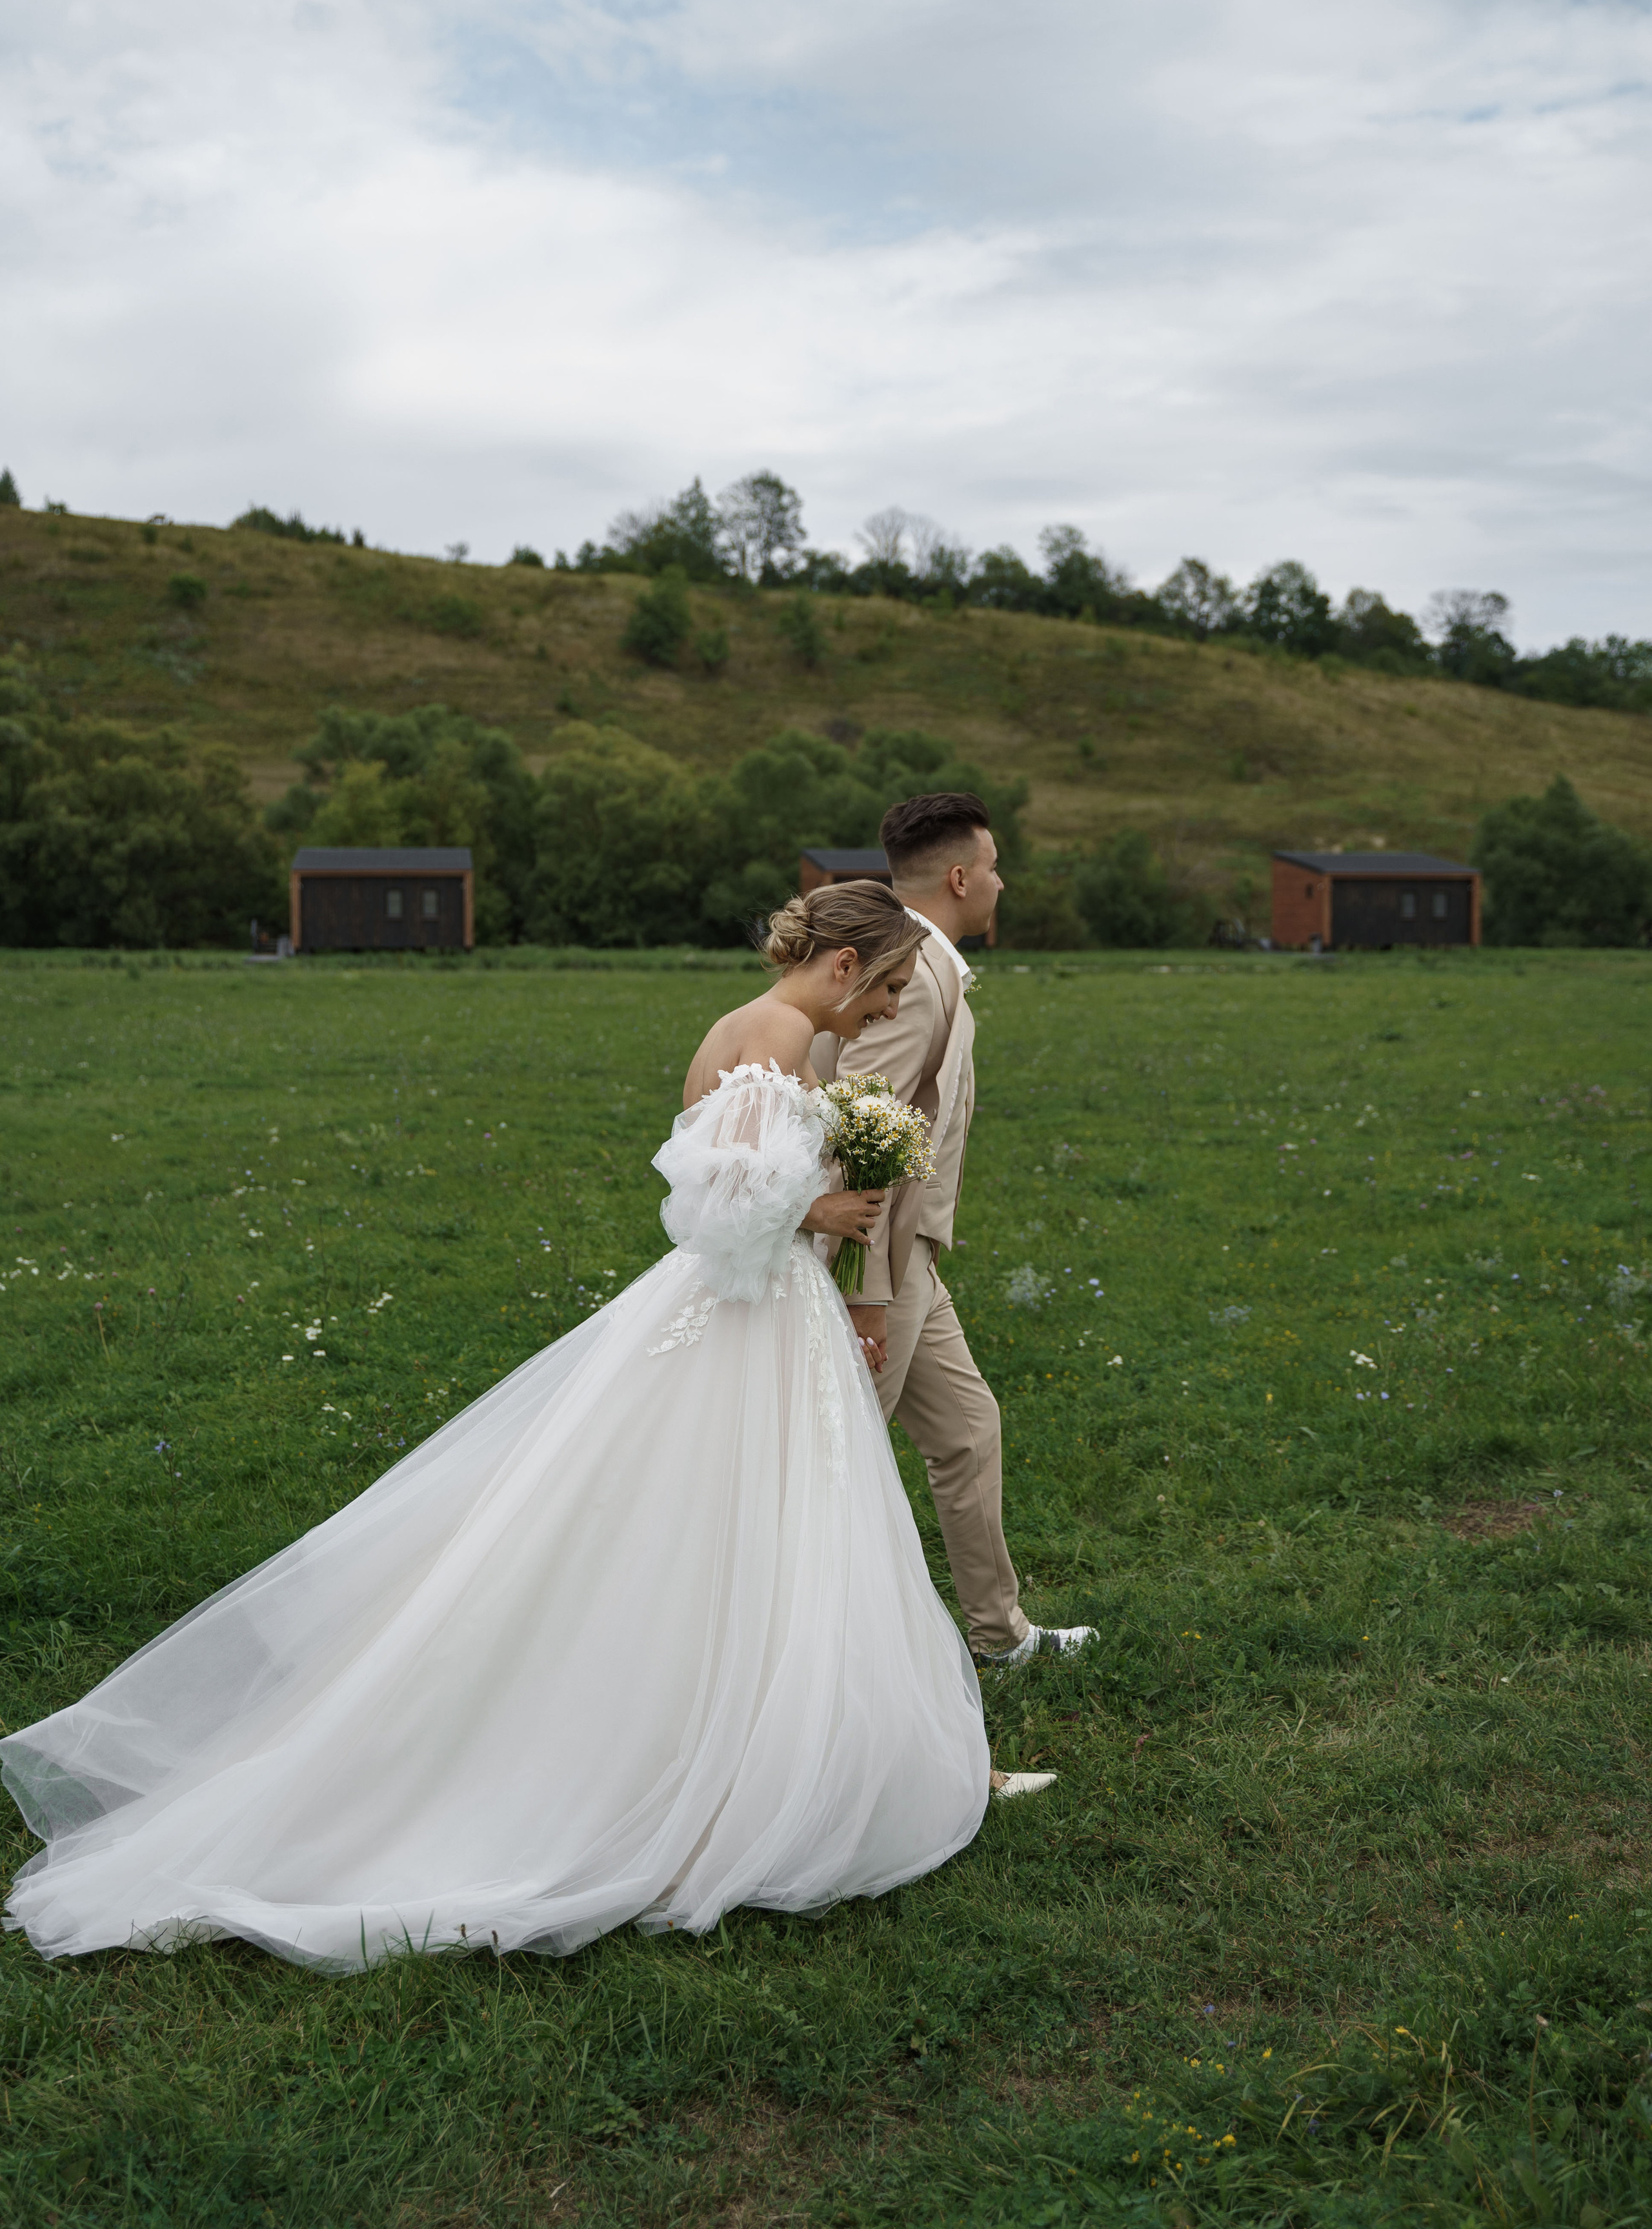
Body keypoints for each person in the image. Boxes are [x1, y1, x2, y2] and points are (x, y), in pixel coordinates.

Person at [1, 882, 996, 1974]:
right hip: (745, 1315)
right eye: (889, 988)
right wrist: (821, 1211)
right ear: (844, 967)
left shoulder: (772, 1032)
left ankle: (752, 1731)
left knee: (733, 1529)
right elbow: (712, 1208)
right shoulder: (772, 1033)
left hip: (766, 1317)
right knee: (710, 1523)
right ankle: (691, 1767)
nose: (885, 1012)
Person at [811, 793, 1095, 1671]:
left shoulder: (920, 965)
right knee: (834, 1473)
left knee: (969, 1430)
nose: (1004, 883)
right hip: (873, 1270)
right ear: (962, 877)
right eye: (997, 865)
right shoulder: (918, 976)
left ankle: (998, 1636)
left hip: (911, 1261)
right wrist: (866, 1294)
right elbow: (863, 1133)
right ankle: (813, 1668)